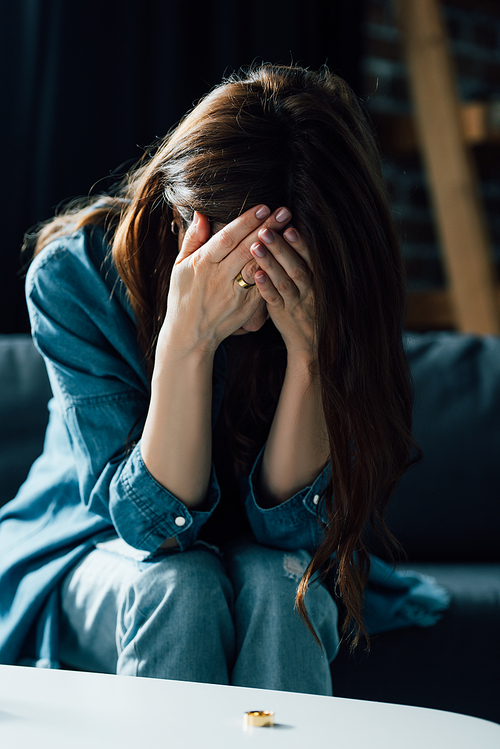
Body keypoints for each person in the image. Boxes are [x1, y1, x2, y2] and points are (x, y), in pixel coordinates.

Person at [0, 64, 448, 694]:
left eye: (284, 266)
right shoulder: (75, 277)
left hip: (263, 563)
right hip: (88, 548)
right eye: (239, 265)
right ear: (184, 221)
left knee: (282, 587)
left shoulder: (344, 281)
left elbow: (295, 532)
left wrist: (312, 356)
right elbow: (151, 531)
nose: (257, 298)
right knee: (181, 587)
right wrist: (188, 339)